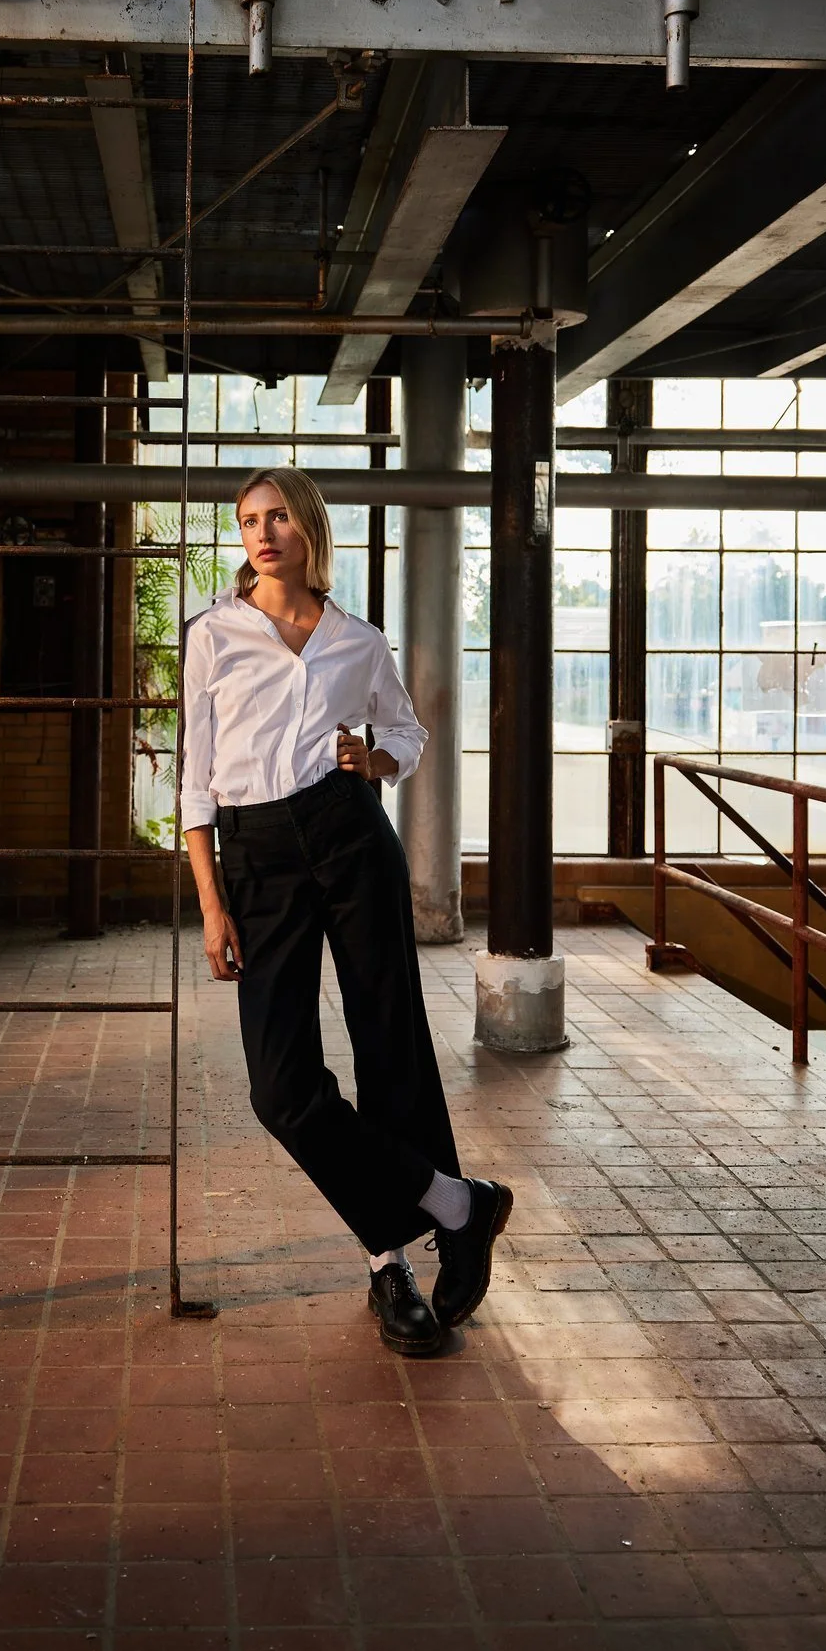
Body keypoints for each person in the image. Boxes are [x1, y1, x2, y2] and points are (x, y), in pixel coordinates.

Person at [181, 467, 514, 1356]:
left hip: (349, 836)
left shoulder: (357, 640)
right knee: (282, 1087)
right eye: (248, 519)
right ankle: (456, 1204)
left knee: (391, 1042)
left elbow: (406, 729)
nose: (262, 532)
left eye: (278, 514)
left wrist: (378, 762)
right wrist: (212, 903)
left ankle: (388, 1264)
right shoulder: (213, 634)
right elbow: (194, 781)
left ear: (307, 525)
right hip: (256, 858)